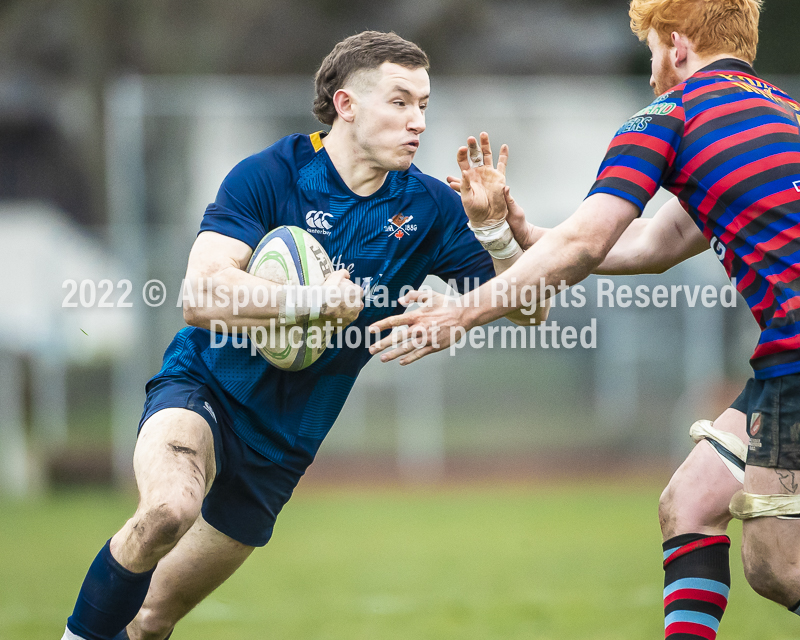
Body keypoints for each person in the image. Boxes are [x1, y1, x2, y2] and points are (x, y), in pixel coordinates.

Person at [60, 30, 541, 640]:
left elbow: (529, 311)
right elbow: (199, 296)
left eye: (424, 104)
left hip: (285, 441)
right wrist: (312, 302)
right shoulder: (272, 174)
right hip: (204, 387)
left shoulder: (432, 207)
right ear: (346, 105)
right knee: (165, 511)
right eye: (399, 102)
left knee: (152, 619)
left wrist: (494, 236)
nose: (417, 120)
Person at [370, 0, 800, 637]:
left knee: (778, 565)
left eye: (652, 50)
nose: (651, 69)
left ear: (677, 46)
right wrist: (529, 231)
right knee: (691, 503)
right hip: (783, 361)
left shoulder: (670, 115)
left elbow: (587, 245)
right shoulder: (780, 111)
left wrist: (463, 311)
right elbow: (655, 244)